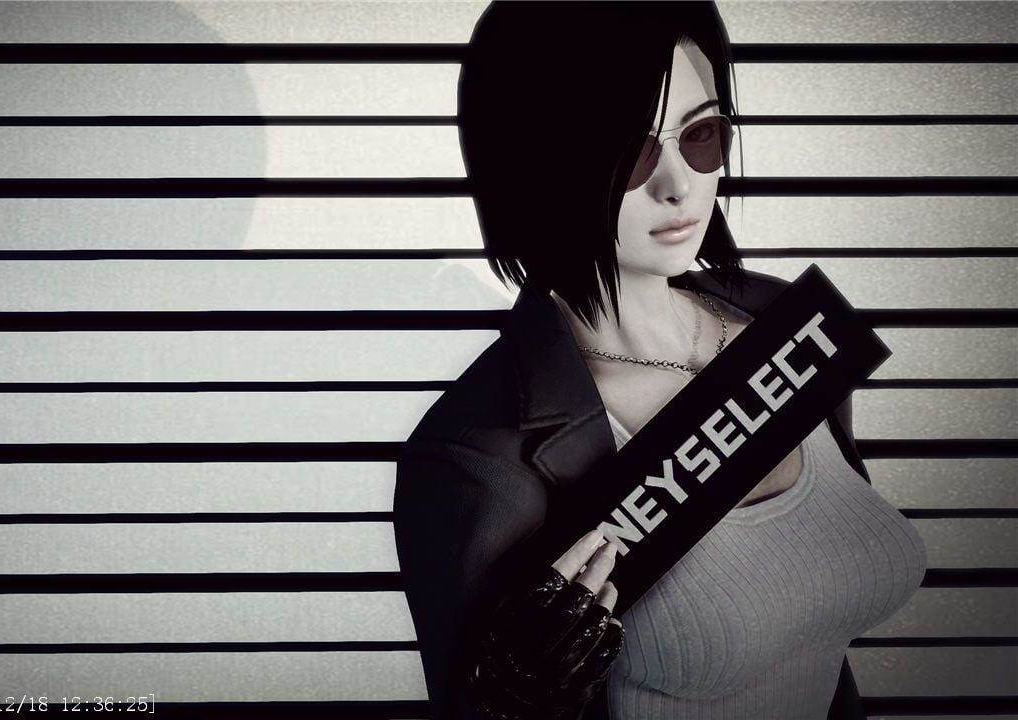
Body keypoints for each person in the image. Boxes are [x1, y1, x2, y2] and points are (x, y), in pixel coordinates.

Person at [391, 3, 928, 719]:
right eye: (632, 152)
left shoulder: (781, 324)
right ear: (535, 163)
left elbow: (817, 638)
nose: (678, 185)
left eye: (701, 135)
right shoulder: (480, 458)